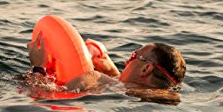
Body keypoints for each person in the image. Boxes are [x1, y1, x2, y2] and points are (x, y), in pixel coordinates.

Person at [27, 34, 186, 103]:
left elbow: (41, 95)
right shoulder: (162, 96)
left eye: (133, 56)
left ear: (146, 70)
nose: (126, 62)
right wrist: (114, 74)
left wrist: (38, 67)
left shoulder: (94, 79)